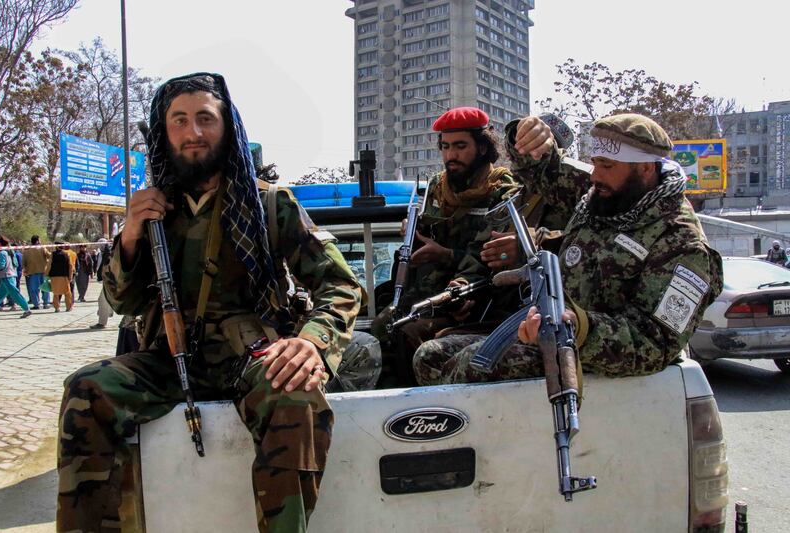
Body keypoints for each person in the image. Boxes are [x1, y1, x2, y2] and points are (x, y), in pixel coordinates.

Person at [57, 72, 362, 532]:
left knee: (296, 395)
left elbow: (340, 285)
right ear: (165, 132)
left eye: (205, 118)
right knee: (86, 389)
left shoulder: (270, 204)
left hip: (251, 356)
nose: (193, 132)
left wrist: (312, 342)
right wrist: (132, 236)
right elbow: (123, 301)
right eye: (179, 120)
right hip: (168, 357)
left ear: (227, 127)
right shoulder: (155, 211)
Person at [414, 113, 723, 384]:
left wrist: (579, 327)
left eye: (607, 165)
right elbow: (542, 171)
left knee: (471, 365)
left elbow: (654, 343)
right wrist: (526, 134)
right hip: (545, 328)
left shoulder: (682, 243)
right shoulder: (605, 194)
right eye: (595, 163)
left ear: (644, 169)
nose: (595, 176)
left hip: (597, 357)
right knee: (429, 356)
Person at [370, 107, 550, 375]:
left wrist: (447, 258)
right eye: (445, 147)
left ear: (481, 147)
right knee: (382, 327)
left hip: (483, 300)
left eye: (460, 146)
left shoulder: (503, 191)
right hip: (432, 292)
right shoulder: (436, 188)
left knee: (420, 340)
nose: (450, 155)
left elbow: (491, 256)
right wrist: (414, 235)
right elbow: (427, 238)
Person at [0, 236, 32, 318]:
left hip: (6, 276)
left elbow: (2, 266)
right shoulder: (11, 251)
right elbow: (16, 264)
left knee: (15, 294)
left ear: (0, 244)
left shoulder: (2, 253)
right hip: (11, 275)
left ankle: (27, 309)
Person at [23, 235, 51, 309]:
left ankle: (36, 304)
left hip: (32, 272)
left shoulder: (27, 250)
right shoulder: (42, 248)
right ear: (37, 241)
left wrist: (25, 270)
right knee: (45, 288)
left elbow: (23, 262)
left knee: (33, 290)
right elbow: (50, 256)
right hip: (43, 271)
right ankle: (46, 303)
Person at [46, 242, 74, 312]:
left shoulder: (53, 254)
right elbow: (70, 266)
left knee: (56, 292)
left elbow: (49, 265)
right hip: (64, 276)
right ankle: (68, 307)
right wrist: (70, 276)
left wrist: (46, 274)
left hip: (54, 276)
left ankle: (57, 308)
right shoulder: (66, 254)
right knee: (67, 292)